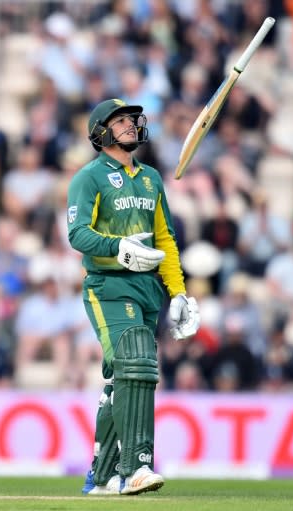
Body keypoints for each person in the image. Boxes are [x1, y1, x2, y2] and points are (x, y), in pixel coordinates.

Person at [66, 98, 201, 496]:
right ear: (101, 131)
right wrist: (118, 247)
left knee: (121, 377)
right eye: (120, 120)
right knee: (136, 361)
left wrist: (177, 292)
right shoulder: (88, 178)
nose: (130, 125)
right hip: (108, 286)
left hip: (147, 290)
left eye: (131, 119)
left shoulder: (151, 179)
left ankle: (103, 474)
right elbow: (78, 235)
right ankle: (136, 467)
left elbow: (165, 239)